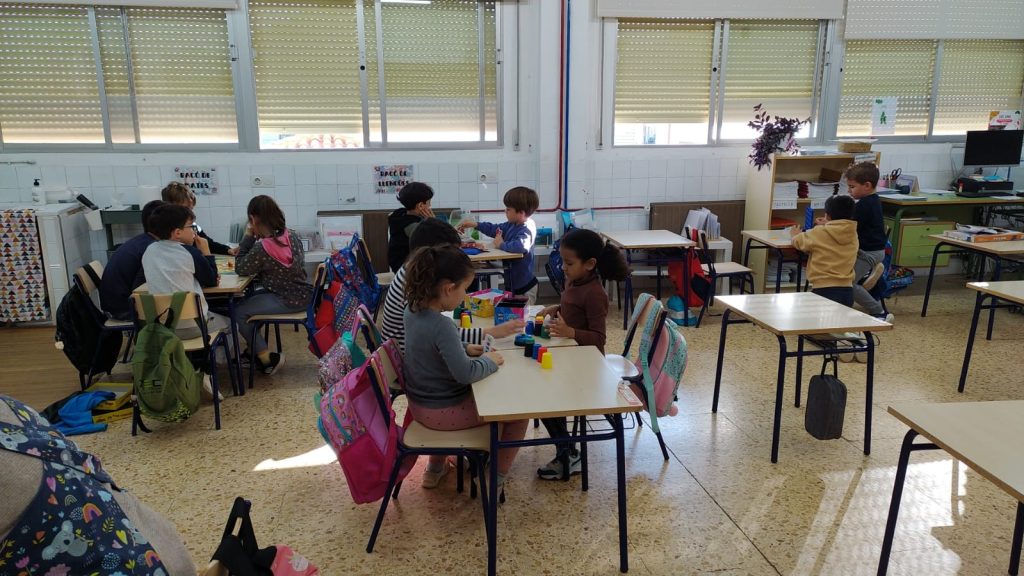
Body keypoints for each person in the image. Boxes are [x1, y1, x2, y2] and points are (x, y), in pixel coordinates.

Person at [402, 244, 528, 489]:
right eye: (464, 289)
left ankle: (435, 468)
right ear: (448, 289)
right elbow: (466, 373)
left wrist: (464, 348)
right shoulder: (443, 325)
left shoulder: (412, 310)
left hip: (418, 408)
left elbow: (430, 348)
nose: (465, 296)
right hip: (444, 413)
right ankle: (495, 479)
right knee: (519, 414)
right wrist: (489, 361)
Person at [534, 228, 630, 480]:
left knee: (544, 400)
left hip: (587, 367)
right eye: (562, 261)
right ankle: (566, 448)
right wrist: (556, 308)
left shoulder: (596, 294)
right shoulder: (574, 281)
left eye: (568, 263)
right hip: (569, 356)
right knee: (540, 391)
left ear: (589, 264)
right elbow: (571, 306)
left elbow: (598, 339)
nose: (563, 268)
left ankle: (568, 453)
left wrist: (571, 331)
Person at [381, 218, 524, 354]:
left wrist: (467, 346)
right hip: (411, 363)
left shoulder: (414, 274)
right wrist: (489, 332)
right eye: (451, 254)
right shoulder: (414, 286)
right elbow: (442, 334)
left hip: (410, 355)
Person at [233, 195, 313, 375]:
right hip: (305, 294)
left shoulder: (262, 248)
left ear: (253, 219)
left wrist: (248, 237)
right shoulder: (291, 235)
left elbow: (241, 268)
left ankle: (266, 357)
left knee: (238, 311)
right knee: (252, 301)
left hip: (285, 299)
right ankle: (252, 351)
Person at [141, 203, 226, 340]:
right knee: (231, 324)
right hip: (194, 325)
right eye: (191, 227)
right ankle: (212, 354)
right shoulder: (190, 252)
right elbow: (211, 280)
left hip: (162, 327)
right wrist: (207, 252)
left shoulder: (149, 251)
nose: (194, 231)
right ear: (177, 233)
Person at [459, 186, 540, 305]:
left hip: (525, 288)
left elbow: (520, 246)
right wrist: (476, 225)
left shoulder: (527, 228)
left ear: (521, 213)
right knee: (512, 313)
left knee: (523, 314)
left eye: (508, 209)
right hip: (513, 285)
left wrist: (501, 244)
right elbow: (495, 229)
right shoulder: (511, 224)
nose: (505, 211)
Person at [99, 199, 167, 320]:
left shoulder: (142, 241)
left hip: (114, 304)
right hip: (123, 309)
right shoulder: (151, 248)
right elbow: (140, 290)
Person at [790, 194, 859, 306]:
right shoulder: (853, 234)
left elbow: (799, 242)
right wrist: (829, 224)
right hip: (847, 291)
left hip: (824, 289)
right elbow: (838, 229)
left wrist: (794, 235)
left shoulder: (820, 232)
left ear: (827, 215)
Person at [846, 162, 893, 322]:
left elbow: (849, 226)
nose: (849, 190)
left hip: (869, 253)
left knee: (847, 283)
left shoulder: (865, 205)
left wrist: (829, 224)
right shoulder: (871, 200)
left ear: (867, 185)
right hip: (871, 250)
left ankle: (879, 312)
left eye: (852, 187)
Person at [161, 181, 237, 256]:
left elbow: (208, 243)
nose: (190, 213)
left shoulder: (193, 226)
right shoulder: (165, 231)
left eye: (191, 209)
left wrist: (227, 250)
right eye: (185, 209)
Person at [387, 182, 435, 272]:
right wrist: (433, 222)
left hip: (402, 265)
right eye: (429, 202)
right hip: (408, 271)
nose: (430, 206)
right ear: (420, 205)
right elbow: (437, 242)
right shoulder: (412, 226)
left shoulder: (401, 215)